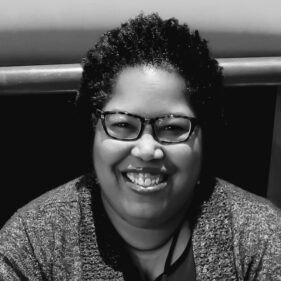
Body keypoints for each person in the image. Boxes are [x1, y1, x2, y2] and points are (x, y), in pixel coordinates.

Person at [0, 13, 280, 281]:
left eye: (172, 128)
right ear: (93, 128)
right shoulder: (32, 240)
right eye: (123, 125)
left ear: (205, 134)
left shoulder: (260, 234)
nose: (147, 150)